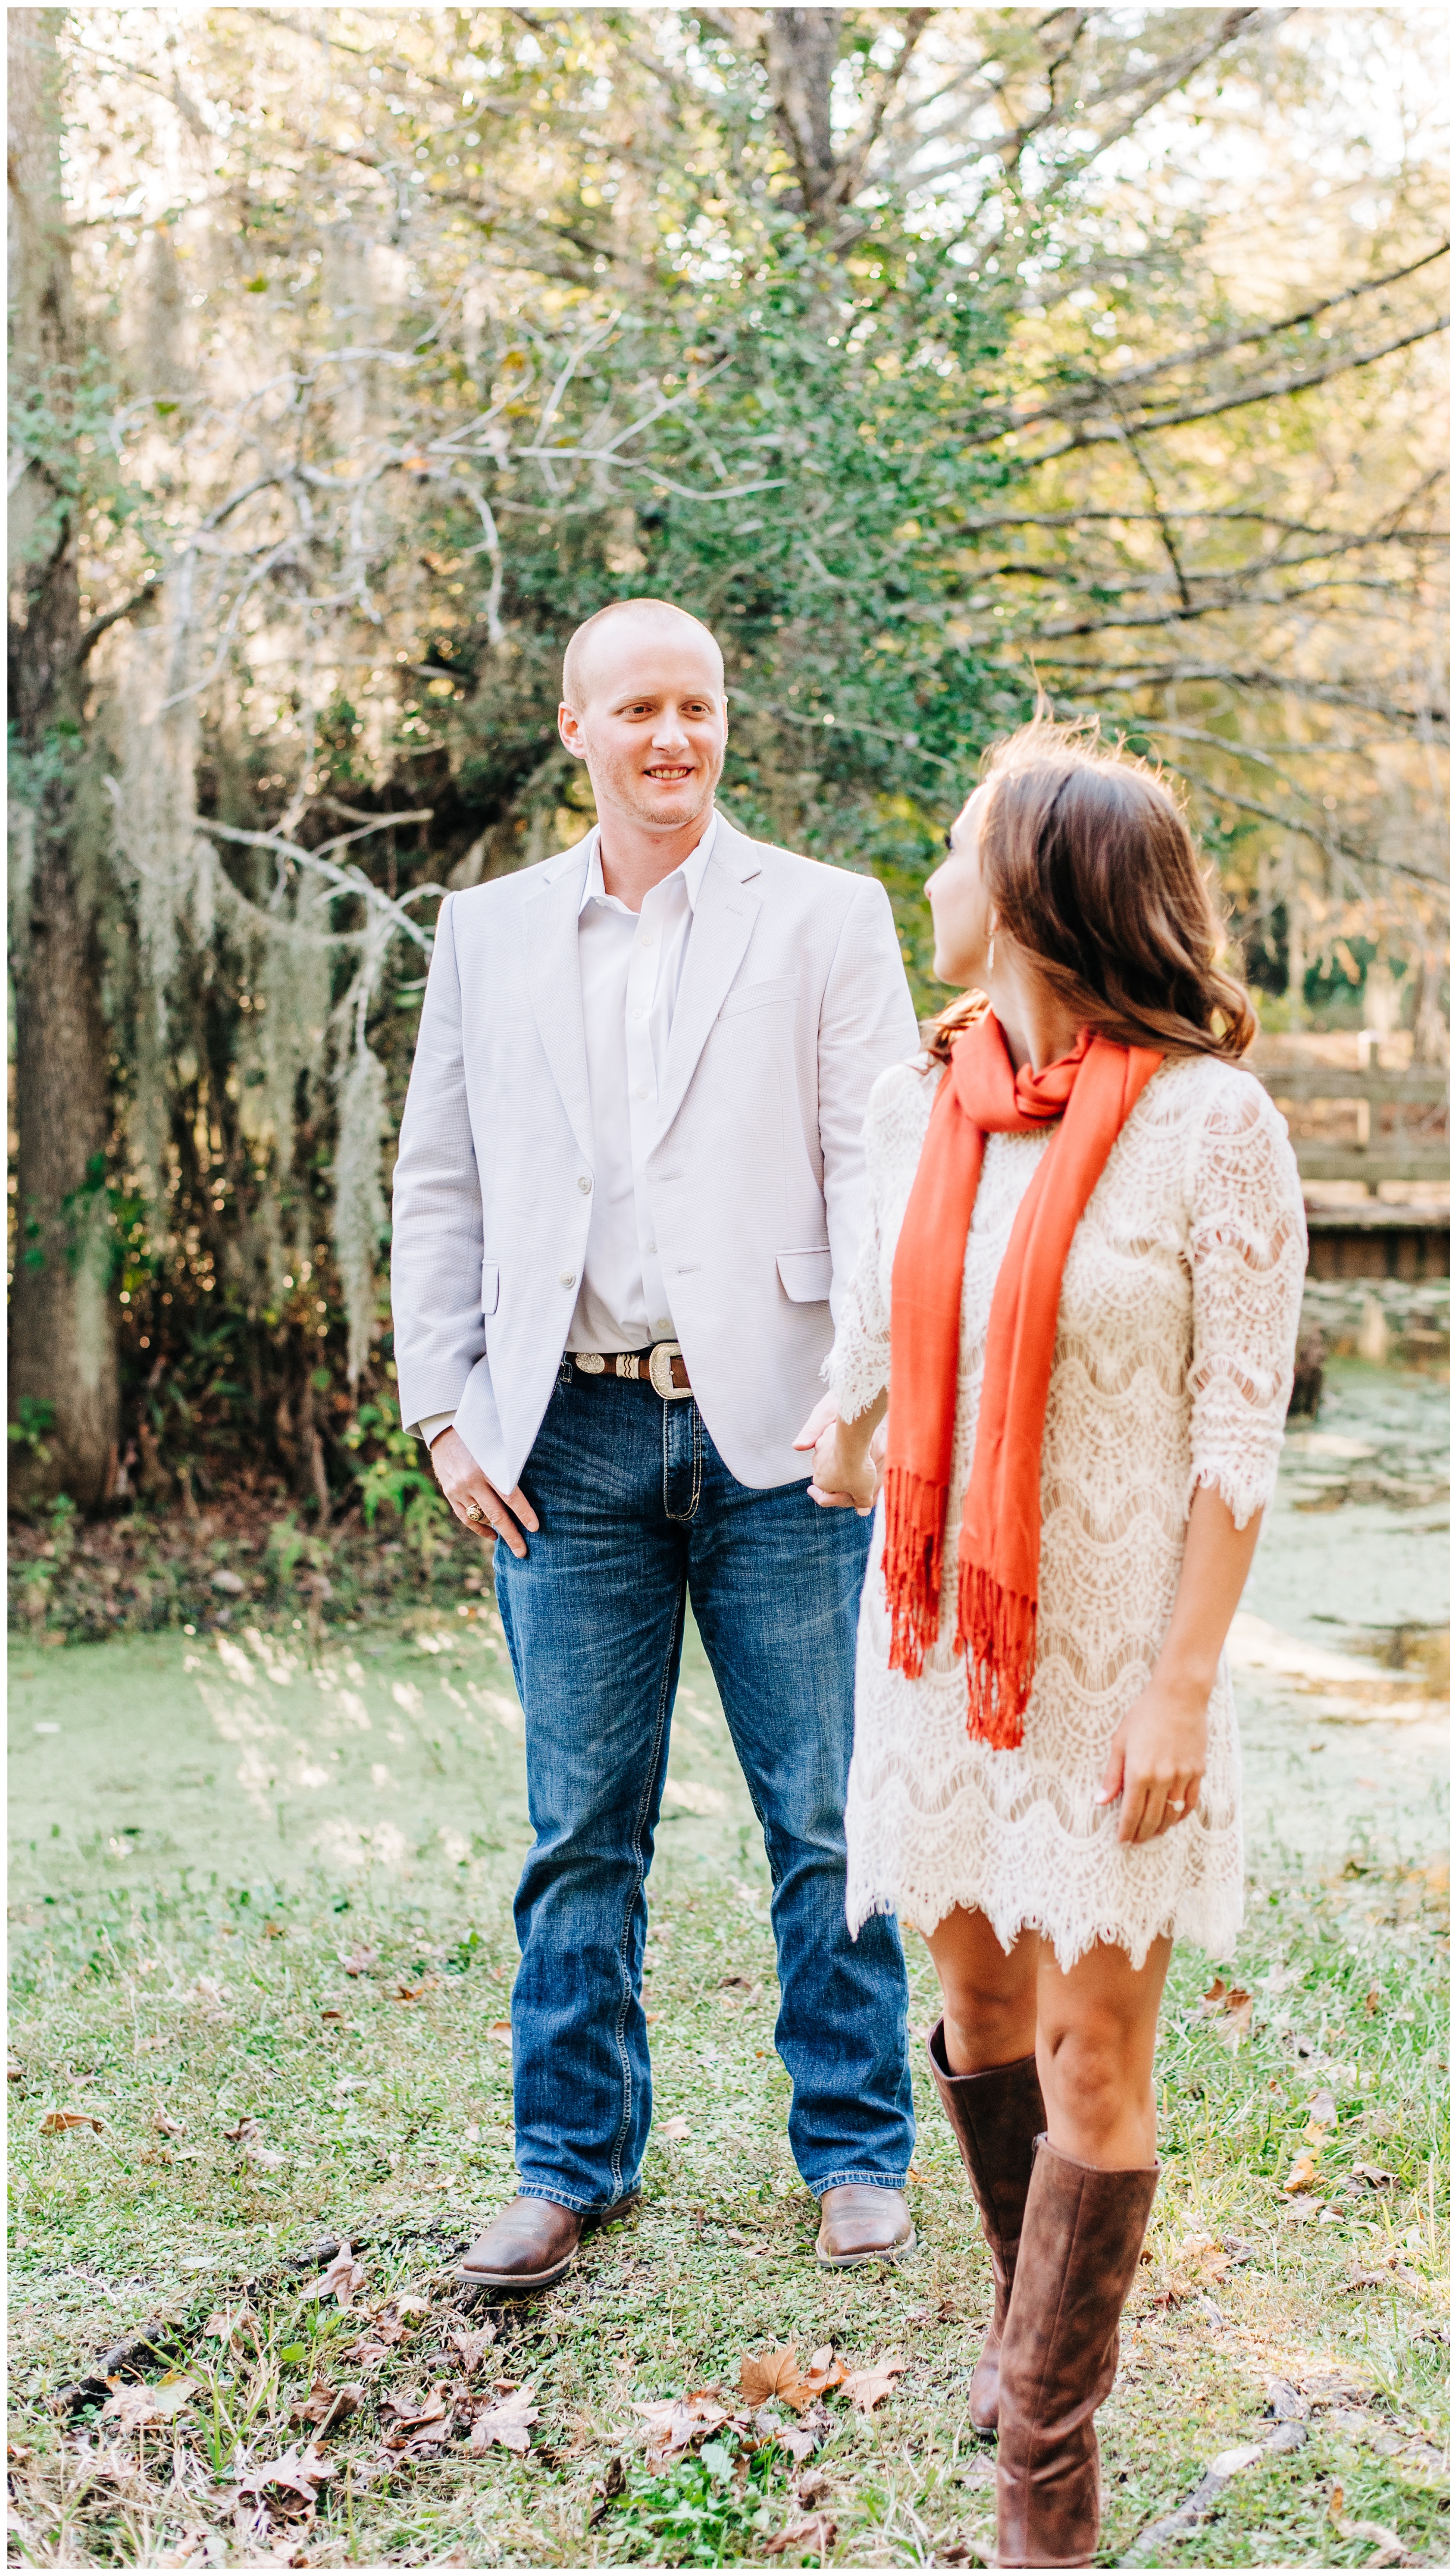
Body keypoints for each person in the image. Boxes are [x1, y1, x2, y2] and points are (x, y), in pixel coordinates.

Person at [801, 720, 1307, 2568]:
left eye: (951, 850)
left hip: (1110, 1667)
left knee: (1094, 2054)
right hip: (938, 1651)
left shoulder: (1211, 1128)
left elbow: (1235, 1439)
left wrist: (1180, 1680)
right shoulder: (913, 1104)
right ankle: (1030, 2346)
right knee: (980, 2011)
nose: (926, 881)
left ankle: (1042, 2474)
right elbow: (871, 1371)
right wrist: (847, 1433)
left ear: (1027, 890)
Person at [391, 596, 919, 2294]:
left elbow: (880, 1171)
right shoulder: (485, 932)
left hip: (788, 1434)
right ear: (576, 729)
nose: (671, 737)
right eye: (637, 710)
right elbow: (443, 1182)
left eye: (695, 706)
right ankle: (566, 2165)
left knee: (824, 1817)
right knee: (576, 1827)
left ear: (721, 721)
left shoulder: (828, 918)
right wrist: (441, 1401)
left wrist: (865, 1394)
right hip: (569, 1436)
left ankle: (852, 2150)